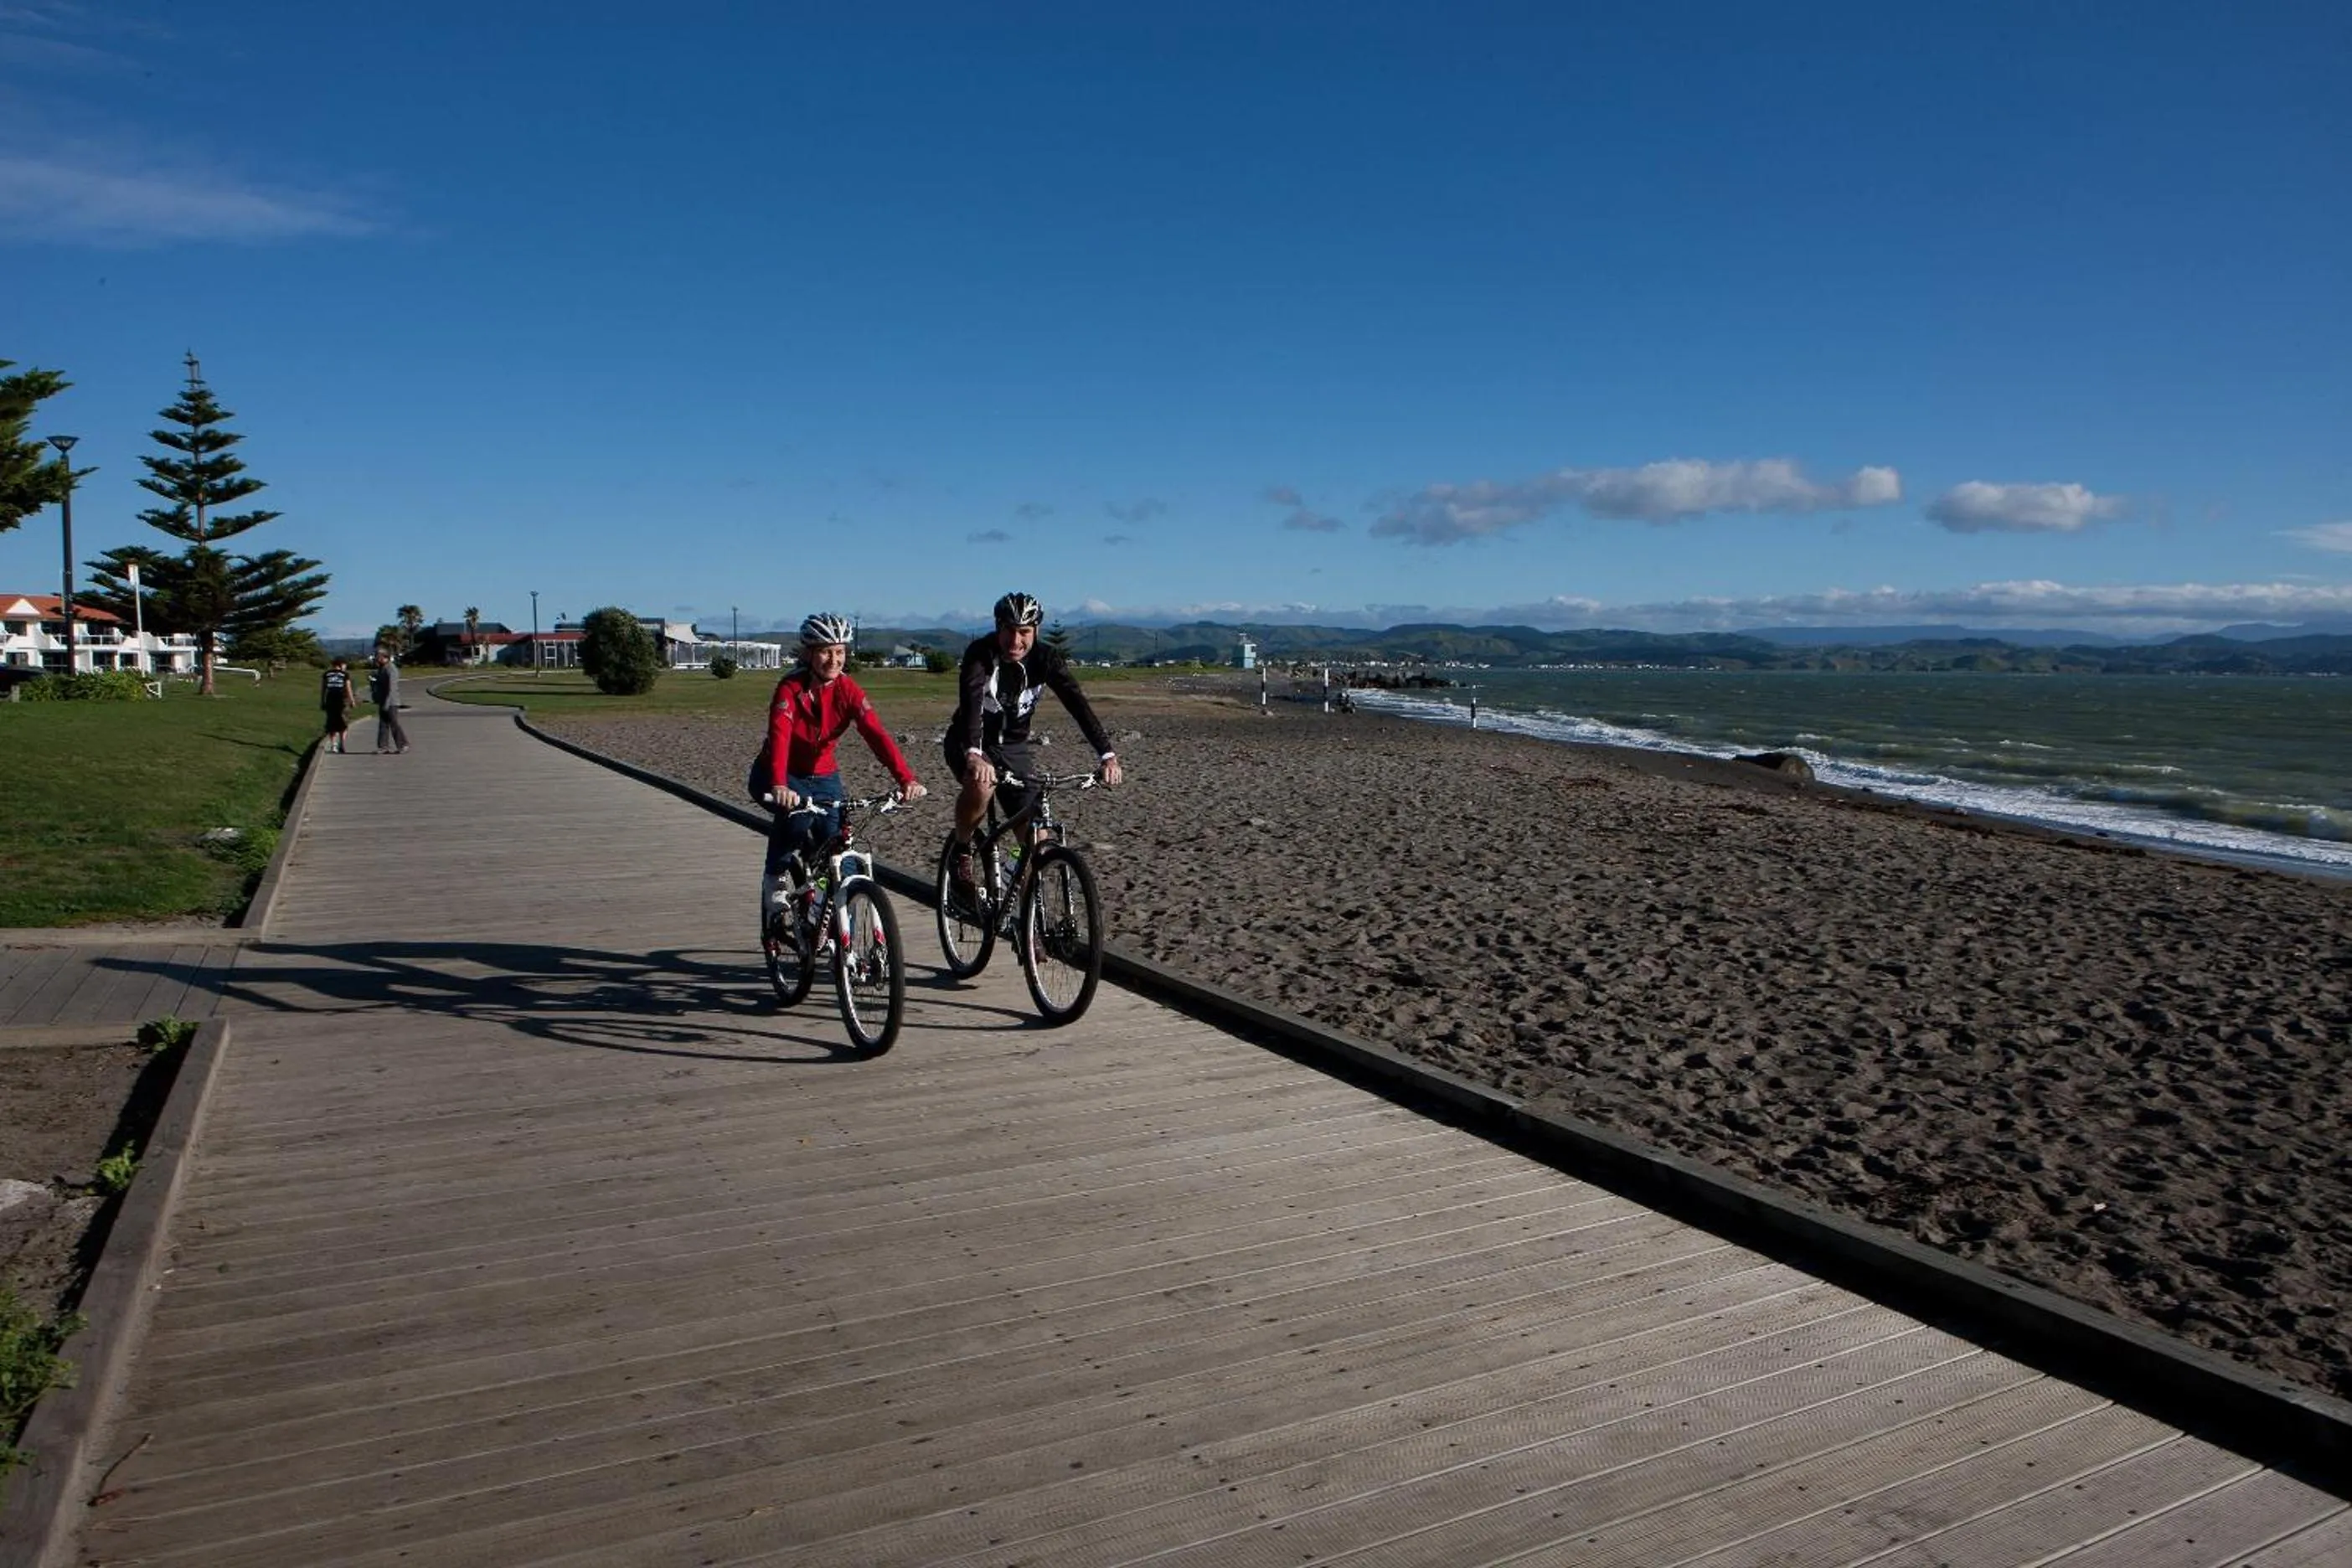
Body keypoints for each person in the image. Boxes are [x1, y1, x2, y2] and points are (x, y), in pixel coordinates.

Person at [944, 592, 1123, 895]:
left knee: (1036, 842)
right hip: (969, 740)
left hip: (1015, 748)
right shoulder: (980, 654)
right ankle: (962, 849)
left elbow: (1078, 705)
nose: (1016, 641)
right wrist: (974, 754)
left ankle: (1030, 933)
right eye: (1009, 631)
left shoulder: (1046, 659)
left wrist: (1108, 755)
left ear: (1036, 631)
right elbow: (973, 702)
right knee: (981, 785)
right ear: (998, 628)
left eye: (1024, 632)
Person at [754, 613, 927, 921]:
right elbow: (780, 736)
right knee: (796, 820)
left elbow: (876, 734)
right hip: (778, 773)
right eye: (825, 651)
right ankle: (774, 877)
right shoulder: (789, 689)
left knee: (840, 849)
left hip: (823, 776)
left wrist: (906, 779)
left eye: (840, 651)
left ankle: (828, 910)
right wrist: (780, 784)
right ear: (808, 653)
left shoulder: (848, 690)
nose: (833, 659)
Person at [369, 649, 410, 754]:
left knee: (393, 723)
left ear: (384, 657)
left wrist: (387, 703)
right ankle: (383, 746)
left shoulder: (391, 669)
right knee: (383, 724)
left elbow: (392, 687)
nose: (376, 659)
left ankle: (403, 744)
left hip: (391, 701)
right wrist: (374, 679)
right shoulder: (382, 669)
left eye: (378, 657)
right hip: (383, 700)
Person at [319, 658, 356, 753]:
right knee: (343, 722)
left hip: (330, 700)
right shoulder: (345, 675)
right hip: (342, 701)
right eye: (344, 665)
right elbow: (348, 688)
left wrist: (322, 701)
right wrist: (352, 700)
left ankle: (333, 745)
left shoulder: (326, 674)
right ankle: (342, 743)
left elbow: (323, 689)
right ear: (341, 665)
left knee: (332, 723)